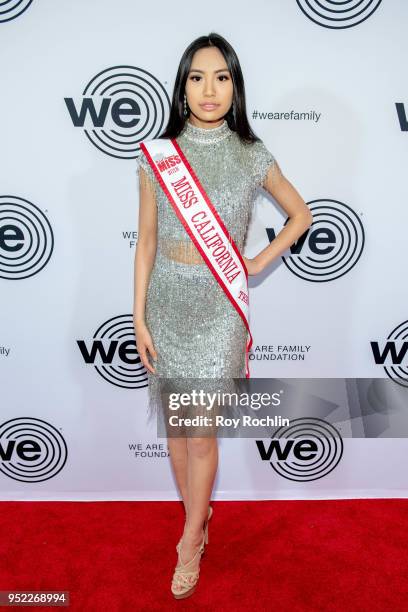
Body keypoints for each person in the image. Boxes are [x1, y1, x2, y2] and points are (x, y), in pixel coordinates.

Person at [133, 32, 313, 599]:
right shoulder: (157, 154)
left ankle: (190, 539)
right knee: (179, 432)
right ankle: (199, 516)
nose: (209, 90)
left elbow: (300, 214)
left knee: (202, 433)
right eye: (197, 77)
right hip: (165, 301)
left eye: (222, 77)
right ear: (183, 86)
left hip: (219, 308)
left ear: (235, 86)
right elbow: (145, 241)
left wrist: (258, 259)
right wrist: (137, 318)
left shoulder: (251, 154)